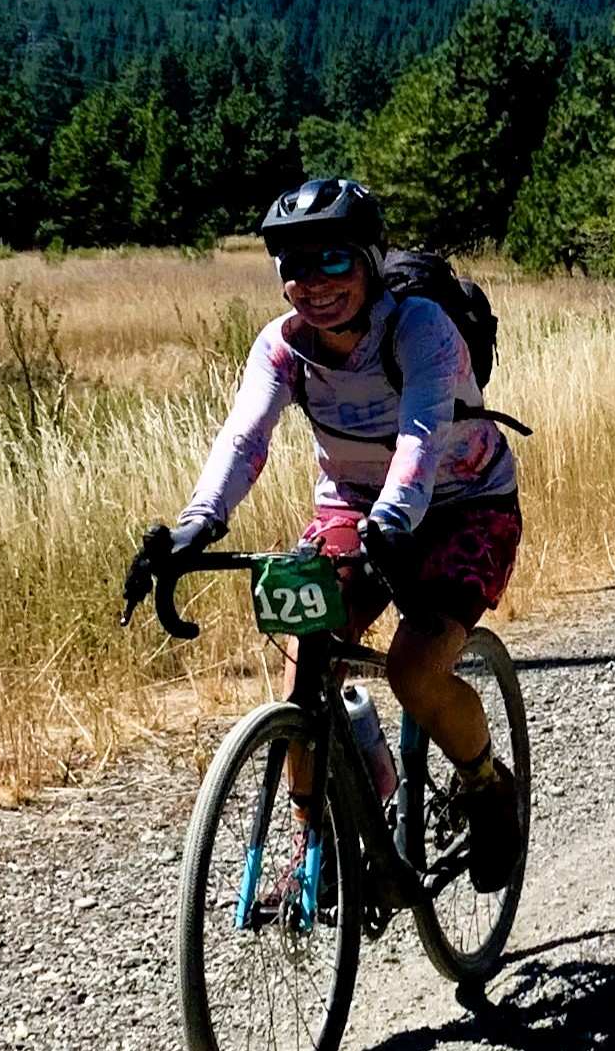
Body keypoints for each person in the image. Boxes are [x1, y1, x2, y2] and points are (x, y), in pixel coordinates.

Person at [136, 176, 523, 889]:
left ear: (371, 260)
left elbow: (421, 435)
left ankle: (487, 787)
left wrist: (395, 522)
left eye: (333, 261)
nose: (313, 282)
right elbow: (245, 438)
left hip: (465, 499)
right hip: (355, 502)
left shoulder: (421, 331)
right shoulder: (282, 347)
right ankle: (315, 847)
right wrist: (197, 523)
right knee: (305, 656)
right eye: (294, 265)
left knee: (413, 668)